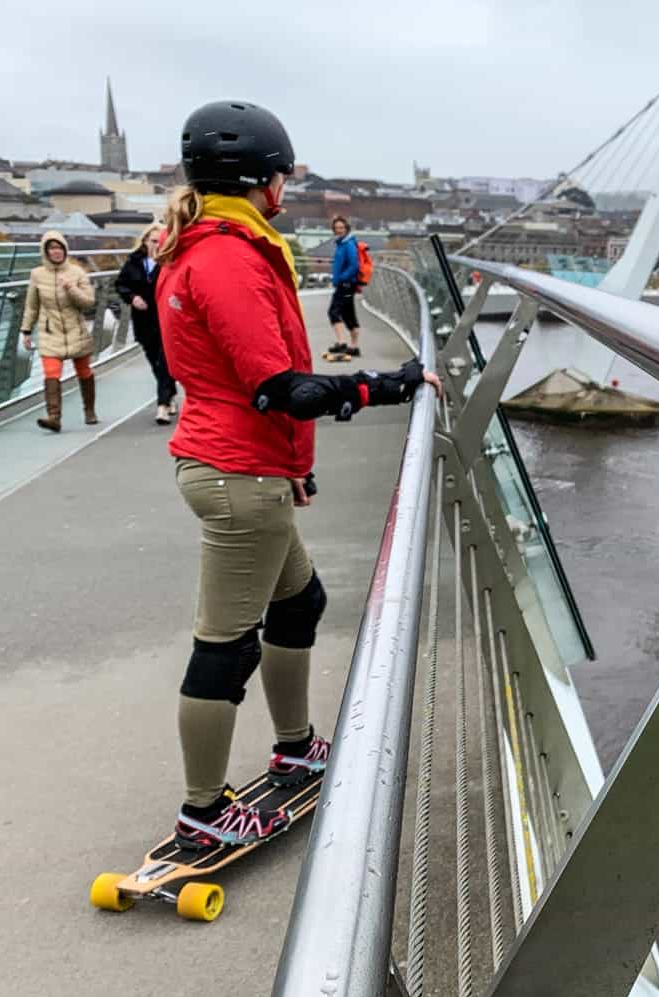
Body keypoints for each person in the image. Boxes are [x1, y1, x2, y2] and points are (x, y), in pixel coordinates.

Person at [156, 100, 439, 849]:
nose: (286, 187)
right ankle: (202, 813)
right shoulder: (226, 259)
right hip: (238, 475)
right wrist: (390, 384)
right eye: (283, 175)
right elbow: (285, 388)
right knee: (226, 645)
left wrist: (296, 467)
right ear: (262, 180)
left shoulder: (207, 244)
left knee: (300, 601)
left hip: (247, 467)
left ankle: (293, 743)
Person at [20, 231, 98, 432]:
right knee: (51, 374)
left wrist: (71, 288)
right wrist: (26, 330)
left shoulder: (77, 272)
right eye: (52, 248)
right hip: (50, 331)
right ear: (45, 251)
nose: (56, 252)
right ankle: (54, 417)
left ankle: (89, 411)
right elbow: (32, 306)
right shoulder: (37, 274)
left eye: (59, 248)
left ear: (65, 250)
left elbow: (89, 302)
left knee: (84, 372)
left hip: (75, 329)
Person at [116, 223, 178, 424]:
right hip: (143, 320)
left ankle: (162, 406)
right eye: (153, 241)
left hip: (165, 319)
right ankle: (170, 393)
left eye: (160, 240)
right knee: (154, 360)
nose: (157, 244)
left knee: (165, 360)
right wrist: (132, 297)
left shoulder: (170, 261)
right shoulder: (134, 262)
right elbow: (121, 285)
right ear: (144, 242)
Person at [324, 215, 362, 361]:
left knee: (333, 312)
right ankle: (354, 347)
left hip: (345, 285)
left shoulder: (348, 245)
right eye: (336, 228)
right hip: (345, 285)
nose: (339, 230)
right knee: (348, 314)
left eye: (341, 228)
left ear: (346, 229)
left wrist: (341, 278)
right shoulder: (342, 244)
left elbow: (354, 265)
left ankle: (342, 343)